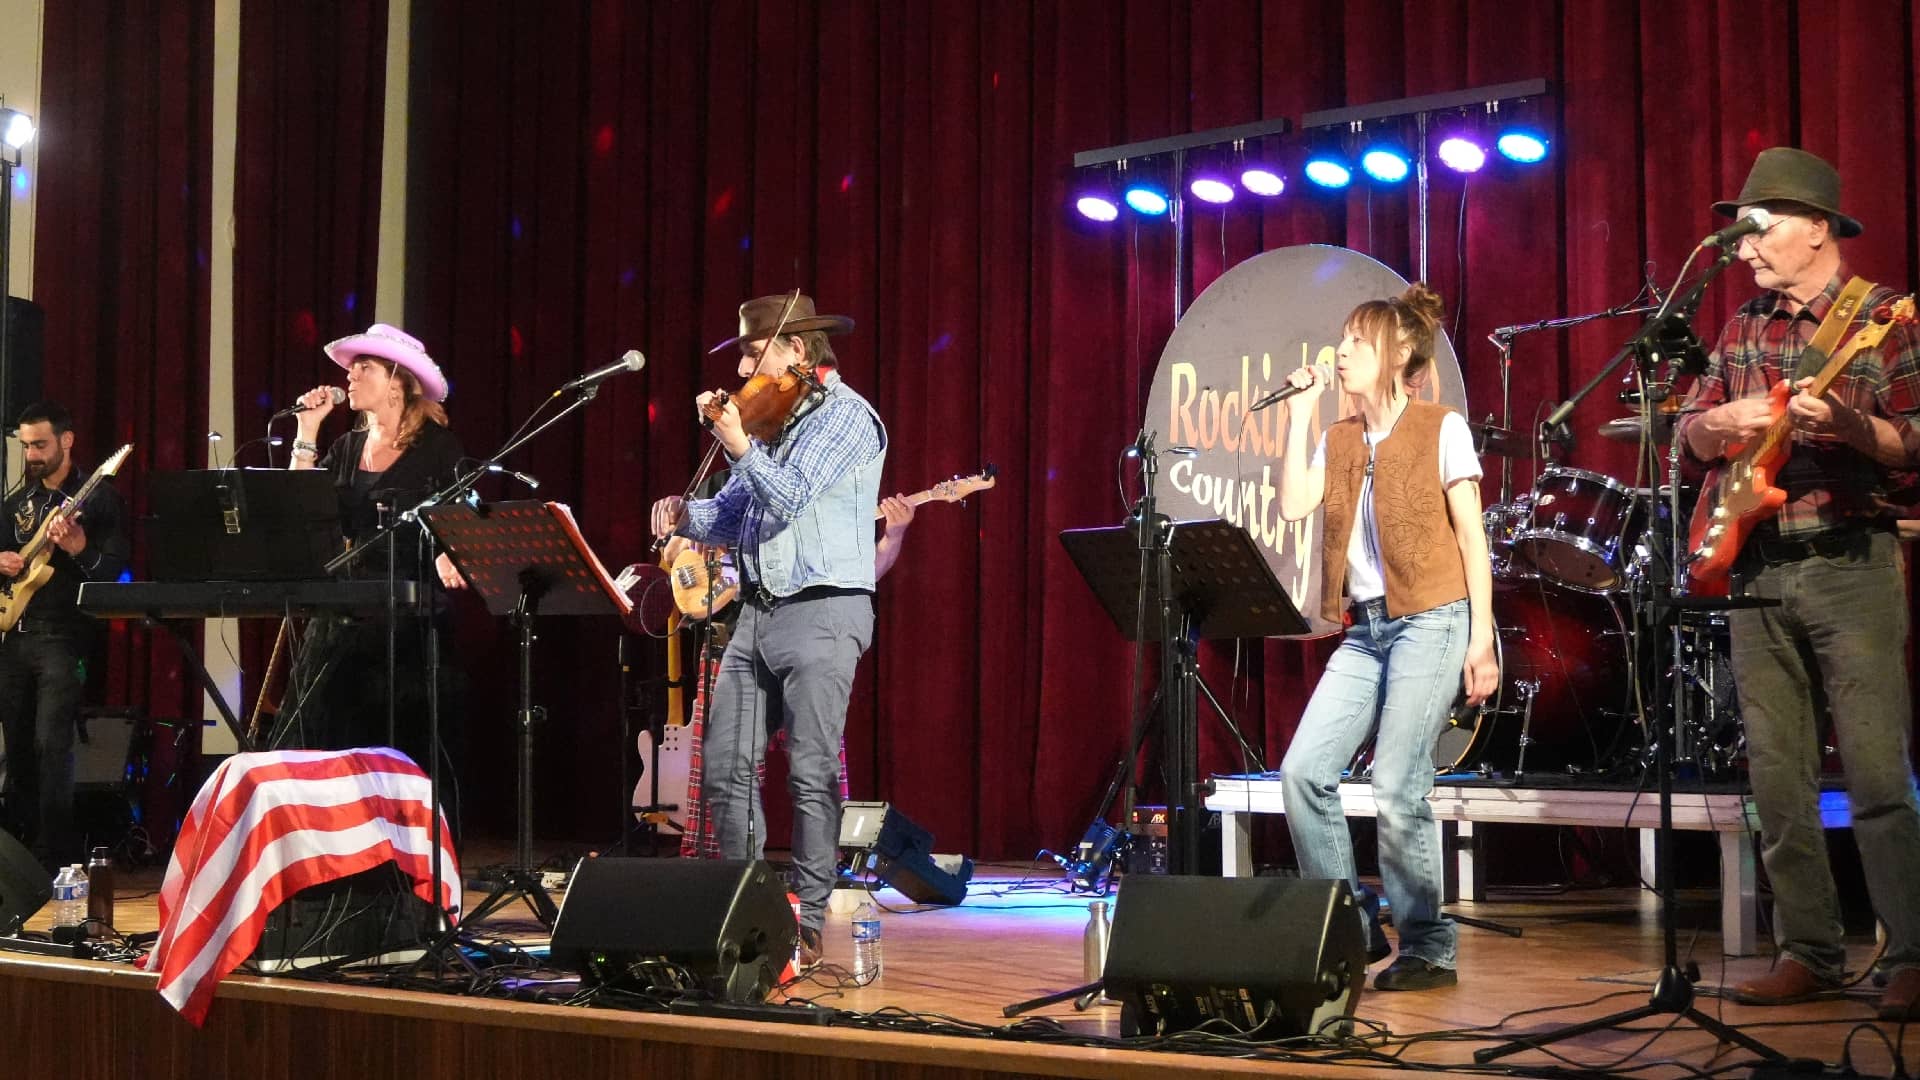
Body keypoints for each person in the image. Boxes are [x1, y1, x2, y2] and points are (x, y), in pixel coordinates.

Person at [1675, 147, 1920, 1021]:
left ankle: (1913, 957)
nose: (1744, 245)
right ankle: (1808, 950)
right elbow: (1684, 434)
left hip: (1850, 562)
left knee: (1877, 772)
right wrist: (1714, 425)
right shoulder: (1741, 326)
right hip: (1756, 569)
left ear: (1818, 228)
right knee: (1776, 777)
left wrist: (1857, 428)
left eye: (1761, 226)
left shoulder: (1885, 315)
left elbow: (1916, 440)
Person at [1275, 283, 1499, 992]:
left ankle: (1428, 944)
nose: (1340, 354)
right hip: (1366, 629)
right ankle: (1352, 925)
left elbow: (1473, 537)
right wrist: (1302, 412)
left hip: (1434, 618)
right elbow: (1293, 502)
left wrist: (1482, 639)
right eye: (1340, 342)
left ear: (1398, 355)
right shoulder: (1340, 437)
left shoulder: (1441, 427)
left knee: (1398, 782)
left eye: (1356, 344)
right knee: (1303, 772)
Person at [650, 292, 884, 969]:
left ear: (799, 354)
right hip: (757, 611)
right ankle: (745, 905)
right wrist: (684, 514)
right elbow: (730, 516)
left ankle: (809, 920)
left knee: (810, 771)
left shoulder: (846, 419)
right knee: (725, 766)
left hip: (824, 608)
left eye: (756, 353)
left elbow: (788, 497)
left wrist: (738, 443)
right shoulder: (772, 424)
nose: (746, 368)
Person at [673, 494, 916, 859]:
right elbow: (676, 545)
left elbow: (864, 572)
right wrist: (680, 539)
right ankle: (715, 864)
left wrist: (892, 536)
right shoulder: (724, 482)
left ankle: (825, 862)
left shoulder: (823, 495)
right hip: (731, 645)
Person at [282, 324, 469, 775]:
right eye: (351, 367)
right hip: (342, 610)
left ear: (397, 381)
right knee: (316, 733)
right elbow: (298, 508)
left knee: (399, 744)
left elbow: (462, 518)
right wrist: (307, 431)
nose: (350, 376)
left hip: (409, 618)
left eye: (364, 367)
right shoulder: (346, 448)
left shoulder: (438, 449)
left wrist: (452, 551)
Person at [0, 401, 130, 869]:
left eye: (40, 445)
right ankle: (16, 853)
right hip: (14, 635)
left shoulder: (98, 499)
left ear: (67, 441)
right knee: (16, 747)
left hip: (64, 637)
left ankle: (54, 856)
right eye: (26, 446)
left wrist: (78, 547)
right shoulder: (18, 502)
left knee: (50, 743)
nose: (31, 455)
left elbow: (114, 573)